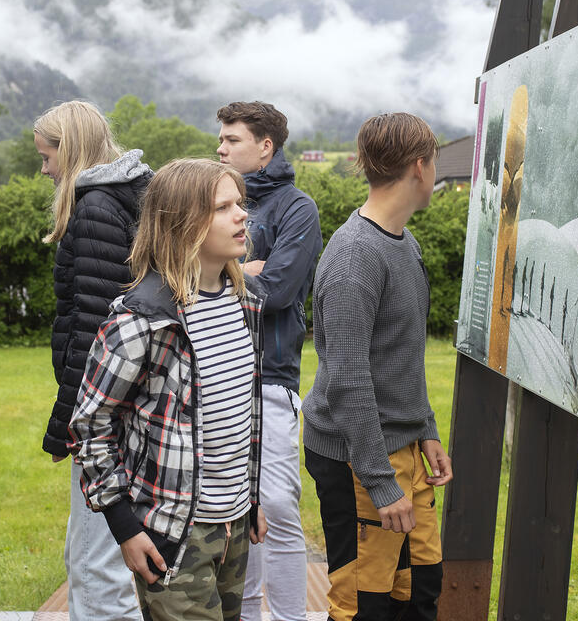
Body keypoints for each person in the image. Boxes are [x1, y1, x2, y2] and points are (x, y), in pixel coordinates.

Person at [69, 158, 268, 621]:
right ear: (182, 223)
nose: (242, 215)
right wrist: (123, 526)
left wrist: (251, 499)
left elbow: (241, 416)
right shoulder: (141, 321)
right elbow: (90, 425)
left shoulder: (246, 304)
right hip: (172, 533)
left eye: (240, 203)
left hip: (235, 523)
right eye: (223, 207)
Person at [301, 112, 454, 621]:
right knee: (364, 606)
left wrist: (425, 428)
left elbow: (400, 357)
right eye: (434, 161)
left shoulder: (403, 243)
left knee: (419, 591)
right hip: (358, 461)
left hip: (404, 448)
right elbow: (347, 381)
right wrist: (381, 480)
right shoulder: (353, 258)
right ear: (420, 166)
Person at [34, 100, 152, 621]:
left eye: (48, 155)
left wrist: (67, 427)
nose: (44, 169)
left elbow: (92, 330)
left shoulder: (97, 210)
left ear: (72, 148)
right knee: (98, 558)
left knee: (94, 569)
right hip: (129, 409)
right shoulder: (124, 199)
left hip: (106, 416)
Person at [216, 101, 321, 621]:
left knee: (276, 510)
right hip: (215, 378)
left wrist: (224, 270)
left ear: (265, 147)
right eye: (220, 139)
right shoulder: (212, 201)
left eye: (232, 139)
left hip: (272, 378)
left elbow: (277, 291)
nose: (220, 147)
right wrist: (243, 267)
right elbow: (185, 274)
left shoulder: (296, 208)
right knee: (236, 515)